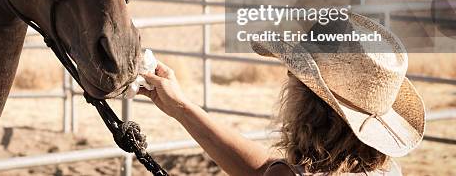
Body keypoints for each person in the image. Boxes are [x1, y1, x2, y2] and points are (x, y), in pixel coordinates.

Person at [139, 13, 425, 175]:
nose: (288, 77)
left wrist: (181, 108)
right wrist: (181, 107)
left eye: (295, 74)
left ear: (309, 103)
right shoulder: (384, 170)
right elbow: (262, 168)